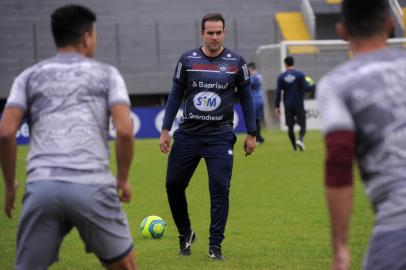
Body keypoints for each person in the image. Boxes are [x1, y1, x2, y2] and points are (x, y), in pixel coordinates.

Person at [0, 4, 137, 270]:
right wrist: (122, 179)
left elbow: (5, 133)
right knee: (126, 267)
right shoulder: (107, 74)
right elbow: (124, 130)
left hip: (42, 187)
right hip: (92, 185)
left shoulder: (28, 77)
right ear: (87, 37)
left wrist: (8, 186)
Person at [159, 13, 256, 260]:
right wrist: (165, 130)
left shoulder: (237, 62)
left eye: (219, 32)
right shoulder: (187, 60)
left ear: (225, 33)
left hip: (220, 137)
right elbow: (174, 95)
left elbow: (246, 98)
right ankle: (185, 232)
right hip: (188, 135)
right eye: (210, 32)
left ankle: (215, 246)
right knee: (173, 185)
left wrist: (252, 133)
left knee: (220, 189)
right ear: (201, 33)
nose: (215, 37)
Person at [317, 0, 404, 269]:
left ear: (342, 31)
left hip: (398, 224)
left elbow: (340, 159)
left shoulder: (336, 84)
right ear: (390, 25)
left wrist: (340, 247)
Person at [275, 56, 307, 151]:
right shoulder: (300, 75)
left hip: (288, 104)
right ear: (293, 63)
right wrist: (311, 84)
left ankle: (294, 147)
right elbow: (307, 88)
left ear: (285, 64)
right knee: (303, 125)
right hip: (298, 103)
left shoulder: (281, 77)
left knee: (290, 127)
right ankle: (300, 140)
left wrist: (277, 106)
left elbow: (278, 92)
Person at [248, 62, 265, 144]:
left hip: (255, 100)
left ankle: (257, 138)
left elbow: (248, 85)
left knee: (253, 120)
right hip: (260, 98)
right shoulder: (259, 75)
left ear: (250, 68)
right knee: (257, 120)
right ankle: (260, 137)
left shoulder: (253, 77)